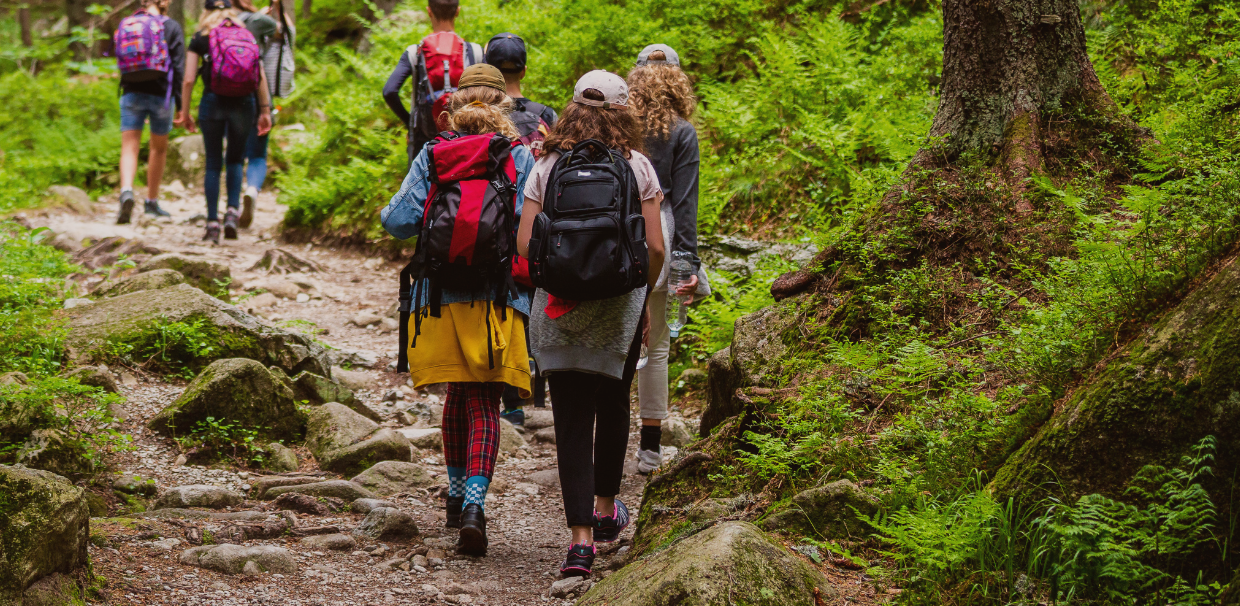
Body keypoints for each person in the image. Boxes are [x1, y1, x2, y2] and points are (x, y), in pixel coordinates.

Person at [381, 64, 535, 557]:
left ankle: (451, 493)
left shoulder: (434, 153)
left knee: (456, 394)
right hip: (498, 295)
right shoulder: (518, 155)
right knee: (485, 399)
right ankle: (473, 505)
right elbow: (533, 228)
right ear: (502, 105)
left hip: (439, 294)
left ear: (456, 106)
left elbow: (399, 221)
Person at [517, 70, 665, 577]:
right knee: (613, 400)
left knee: (571, 417)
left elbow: (524, 244)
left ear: (572, 107)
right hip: (620, 304)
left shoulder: (547, 163)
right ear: (623, 110)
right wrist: (640, 295)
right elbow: (656, 247)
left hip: (557, 304)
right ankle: (606, 511)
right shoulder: (638, 165)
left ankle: (579, 544)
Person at [627, 44, 708, 473]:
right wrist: (686, 263)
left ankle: (605, 440)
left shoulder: (617, 127)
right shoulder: (682, 132)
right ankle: (650, 449)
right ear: (678, 80)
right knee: (655, 348)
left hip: (616, 239)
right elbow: (687, 202)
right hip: (661, 232)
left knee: (615, 342)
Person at [483, 31, 556, 426]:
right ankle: (539, 393)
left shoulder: (483, 116)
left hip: (497, 226)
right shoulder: (545, 116)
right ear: (524, 68)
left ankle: (510, 403)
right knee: (538, 307)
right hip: (540, 225)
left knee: (505, 311)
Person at [175, 0, 273, 243]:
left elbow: (188, 79)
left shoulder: (200, 37)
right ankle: (231, 214)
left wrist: (184, 112)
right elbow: (259, 75)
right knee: (236, 160)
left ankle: (211, 223)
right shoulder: (246, 34)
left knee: (212, 163)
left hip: (213, 103)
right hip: (243, 104)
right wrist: (265, 110)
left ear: (206, 11)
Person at [382, 0, 484, 162]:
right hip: (466, 139)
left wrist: (410, 123)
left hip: (424, 139)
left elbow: (389, 91)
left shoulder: (414, 52)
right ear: (457, 11)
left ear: (429, 12)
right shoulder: (474, 52)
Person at [114, 0, 184, 224]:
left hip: (130, 91)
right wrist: (182, 105)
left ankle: (126, 191)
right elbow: (179, 67)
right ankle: (151, 202)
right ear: (163, 2)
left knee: (129, 146)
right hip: (161, 94)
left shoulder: (129, 23)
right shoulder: (170, 26)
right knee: (158, 149)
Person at [240, 0, 294, 228]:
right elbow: (288, 33)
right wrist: (276, 10)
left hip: (230, 97)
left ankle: (228, 210)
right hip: (261, 94)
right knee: (258, 155)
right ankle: (251, 190)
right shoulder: (263, 22)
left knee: (232, 156)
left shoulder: (224, 20)